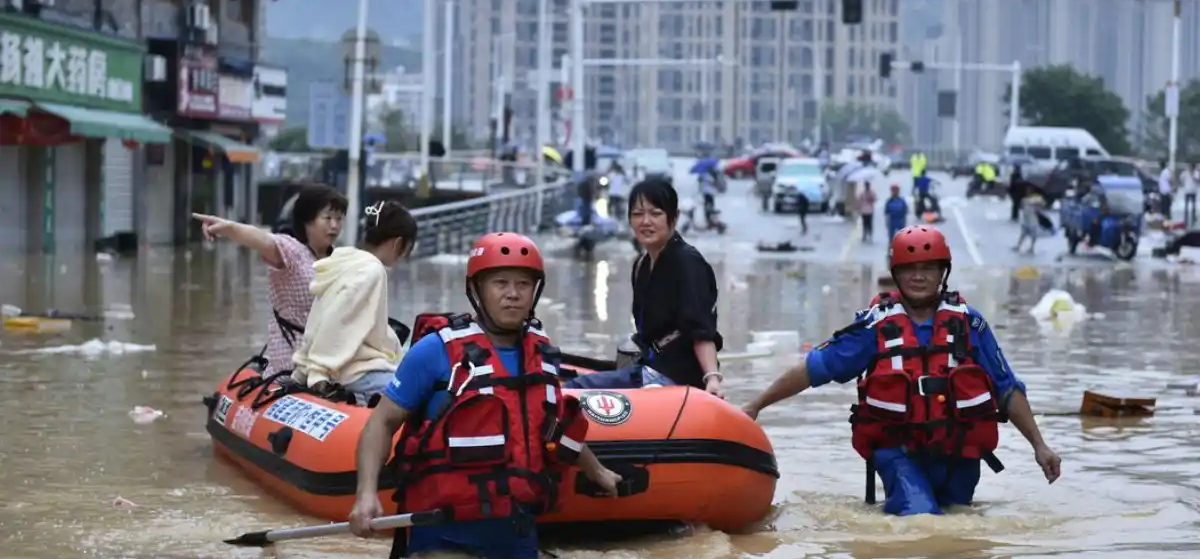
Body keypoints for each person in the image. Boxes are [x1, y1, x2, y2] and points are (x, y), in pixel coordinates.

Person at [741, 225, 1061, 516]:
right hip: (899, 452)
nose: (918, 276)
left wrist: (1039, 445)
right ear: (896, 274)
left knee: (958, 527)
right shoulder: (874, 326)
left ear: (942, 273)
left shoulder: (970, 323)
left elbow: (1006, 388)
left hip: (959, 453)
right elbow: (812, 370)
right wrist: (757, 405)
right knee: (921, 517)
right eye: (909, 269)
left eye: (927, 268)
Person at [348, 233, 622, 558]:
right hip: (444, 531)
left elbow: (551, 426)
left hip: (515, 530)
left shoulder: (541, 352)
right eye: (500, 283)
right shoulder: (435, 351)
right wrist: (365, 494)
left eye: (523, 284)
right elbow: (380, 423)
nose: (512, 294)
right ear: (477, 289)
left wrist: (598, 472)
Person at [565, 178, 724, 395]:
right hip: (648, 367)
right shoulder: (641, 265)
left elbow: (700, 330)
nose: (645, 221)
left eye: (655, 213)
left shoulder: (688, 263)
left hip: (675, 377)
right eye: (638, 214)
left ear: (673, 218)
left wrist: (712, 378)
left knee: (573, 391)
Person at [193, 183, 347, 377]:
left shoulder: (341, 260)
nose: (334, 225)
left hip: (330, 363)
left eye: (339, 219)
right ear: (307, 220)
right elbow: (262, 239)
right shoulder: (292, 251)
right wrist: (228, 227)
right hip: (291, 364)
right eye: (328, 218)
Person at [290, 201, 417, 403]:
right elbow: (337, 318)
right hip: (354, 373)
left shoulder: (346, 260)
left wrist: (303, 367)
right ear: (398, 243)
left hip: (336, 365)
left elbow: (322, 317)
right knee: (420, 391)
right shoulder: (372, 270)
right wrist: (318, 373)